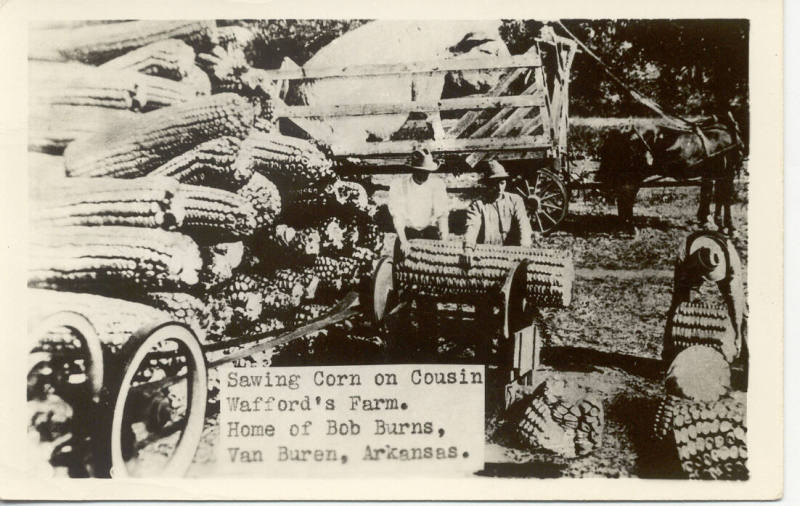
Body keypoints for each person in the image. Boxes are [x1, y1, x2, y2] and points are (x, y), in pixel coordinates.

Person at [462, 160, 533, 267]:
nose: (500, 187)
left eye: (502, 183)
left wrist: (524, 247)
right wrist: (468, 247)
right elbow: (472, 227)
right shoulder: (478, 205)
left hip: (512, 255)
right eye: (495, 183)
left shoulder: (515, 200)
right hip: (487, 254)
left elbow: (523, 223)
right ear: (488, 184)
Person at [387, 148, 450, 256]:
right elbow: (398, 216)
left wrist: (444, 239)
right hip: (407, 235)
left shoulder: (437, 185)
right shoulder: (400, 186)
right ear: (414, 170)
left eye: (427, 172)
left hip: (429, 235)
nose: (425, 175)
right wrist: (403, 241)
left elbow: (442, 215)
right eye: (421, 171)